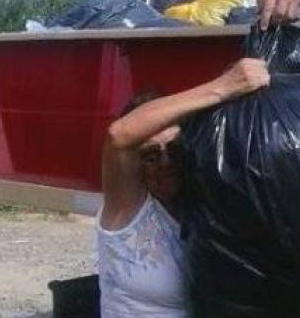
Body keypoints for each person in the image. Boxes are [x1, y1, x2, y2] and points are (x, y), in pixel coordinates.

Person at [97, 58, 270, 317]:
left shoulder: (205, 208)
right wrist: (224, 86)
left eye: (174, 149)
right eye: (151, 155)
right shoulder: (127, 210)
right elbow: (118, 136)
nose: (165, 162)